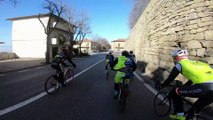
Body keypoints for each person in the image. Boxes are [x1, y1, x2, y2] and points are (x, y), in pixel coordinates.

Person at [156, 49, 213, 120]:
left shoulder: (180, 65)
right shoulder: (197, 63)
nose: (174, 60)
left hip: (204, 87)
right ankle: (189, 117)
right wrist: (184, 88)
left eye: (174, 58)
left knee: (175, 92)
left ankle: (180, 115)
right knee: (194, 109)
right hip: (210, 89)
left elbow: (170, 79)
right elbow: (192, 80)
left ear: (177, 58)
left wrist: (161, 86)